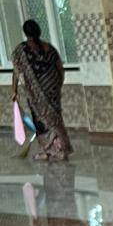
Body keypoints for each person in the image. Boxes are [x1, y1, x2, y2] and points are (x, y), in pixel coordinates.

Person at [10, 19, 72, 161]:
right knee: (55, 119)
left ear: (26, 33)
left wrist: (14, 90)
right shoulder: (48, 47)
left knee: (42, 122)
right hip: (53, 90)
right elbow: (59, 69)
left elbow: (16, 72)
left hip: (36, 95)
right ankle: (61, 148)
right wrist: (57, 86)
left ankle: (48, 151)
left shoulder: (21, 51)